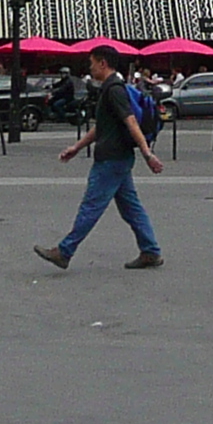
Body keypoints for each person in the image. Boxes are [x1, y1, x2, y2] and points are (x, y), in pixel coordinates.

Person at [35, 50, 164, 270]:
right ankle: (150, 251)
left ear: (103, 63)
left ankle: (64, 251)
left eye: (92, 63)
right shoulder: (111, 89)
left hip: (111, 160)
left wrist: (147, 153)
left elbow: (131, 122)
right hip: (118, 159)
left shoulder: (114, 90)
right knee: (131, 208)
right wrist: (77, 147)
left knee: (91, 206)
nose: (90, 67)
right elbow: (102, 127)